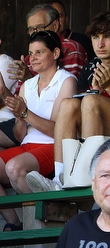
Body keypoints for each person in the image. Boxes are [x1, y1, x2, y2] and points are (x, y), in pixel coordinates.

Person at [0, 31, 76, 230]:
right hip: (28, 146)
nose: (31, 58)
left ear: (56, 53)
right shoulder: (27, 84)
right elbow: (19, 135)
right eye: (29, 53)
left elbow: (59, 131)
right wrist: (15, 109)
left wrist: (25, 113)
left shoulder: (66, 81)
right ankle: (14, 222)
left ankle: (49, 215)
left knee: (14, 168)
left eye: (39, 52)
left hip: (54, 148)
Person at [27, 12, 110, 192]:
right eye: (96, 37)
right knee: (68, 104)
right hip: (97, 127)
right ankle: (60, 178)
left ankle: (87, 175)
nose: (100, 44)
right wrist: (96, 91)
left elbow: (92, 102)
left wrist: (106, 88)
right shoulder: (91, 66)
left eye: (107, 37)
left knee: (91, 101)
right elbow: (81, 106)